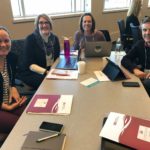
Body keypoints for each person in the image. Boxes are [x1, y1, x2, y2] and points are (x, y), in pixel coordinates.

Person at [19, 14, 60, 89]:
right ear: (37, 25)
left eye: (46, 22)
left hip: (48, 69)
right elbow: (30, 65)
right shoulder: (30, 39)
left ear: (50, 25)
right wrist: (46, 72)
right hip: (31, 72)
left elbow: (57, 58)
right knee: (49, 83)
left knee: (60, 80)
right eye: (41, 23)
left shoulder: (55, 39)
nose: (44, 25)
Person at [0, 26, 27, 134]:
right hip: (2, 105)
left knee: (29, 114)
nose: (3, 45)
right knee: (20, 127)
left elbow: (11, 77)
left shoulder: (11, 57)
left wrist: (13, 87)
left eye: (6, 40)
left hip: (8, 100)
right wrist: (7, 108)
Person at [121, 16, 150, 96]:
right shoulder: (140, 44)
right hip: (144, 77)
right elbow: (125, 59)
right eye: (144, 30)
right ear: (141, 32)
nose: (147, 33)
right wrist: (135, 69)